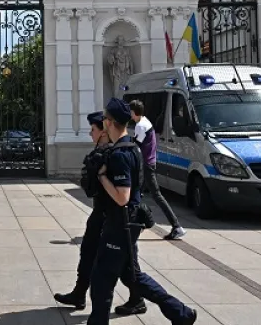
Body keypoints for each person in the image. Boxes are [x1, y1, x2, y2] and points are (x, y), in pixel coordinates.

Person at [87, 98, 197, 325]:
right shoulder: (132, 147)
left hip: (120, 224)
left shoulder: (120, 154)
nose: (104, 122)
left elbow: (122, 197)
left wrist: (101, 176)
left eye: (105, 119)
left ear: (110, 122)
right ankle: (180, 312)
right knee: (132, 276)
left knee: (101, 281)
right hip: (128, 222)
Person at [54, 111, 116, 310]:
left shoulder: (113, 154)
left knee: (127, 267)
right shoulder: (104, 152)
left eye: (93, 130)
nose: (90, 134)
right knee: (89, 252)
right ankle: (79, 294)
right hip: (101, 212)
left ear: (103, 132)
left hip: (110, 215)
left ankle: (169, 306)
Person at [129, 100, 186, 242]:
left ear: (133, 112)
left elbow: (136, 146)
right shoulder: (145, 121)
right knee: (137, 195)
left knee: (156, 195)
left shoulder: (140, 126)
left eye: (130, 112)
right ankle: (138, 223)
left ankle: (176, 226)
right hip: (149, 163)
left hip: (146, 165)